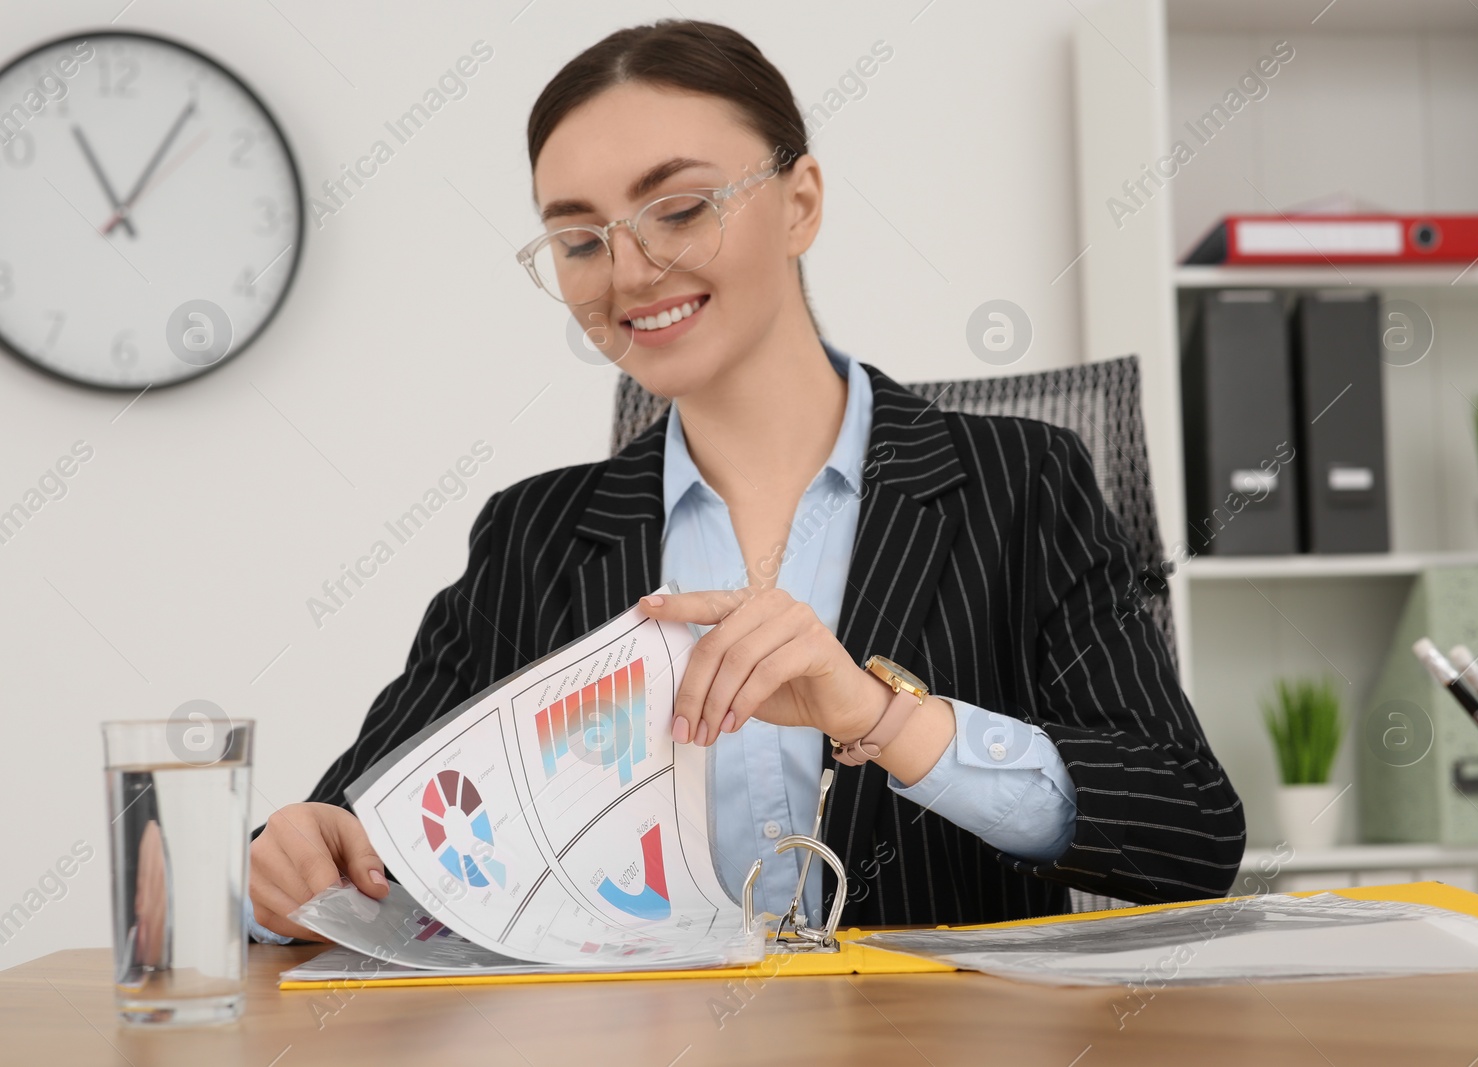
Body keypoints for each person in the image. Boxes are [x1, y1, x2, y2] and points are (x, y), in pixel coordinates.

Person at [247, 18, 1244, 943]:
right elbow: (350, 844)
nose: (627, 271)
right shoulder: (535, 536)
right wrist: (283, 867)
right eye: (580, 241)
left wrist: (879, 716)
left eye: (677, 209)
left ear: (800, 202)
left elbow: (1191, 834)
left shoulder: (1020, 482)